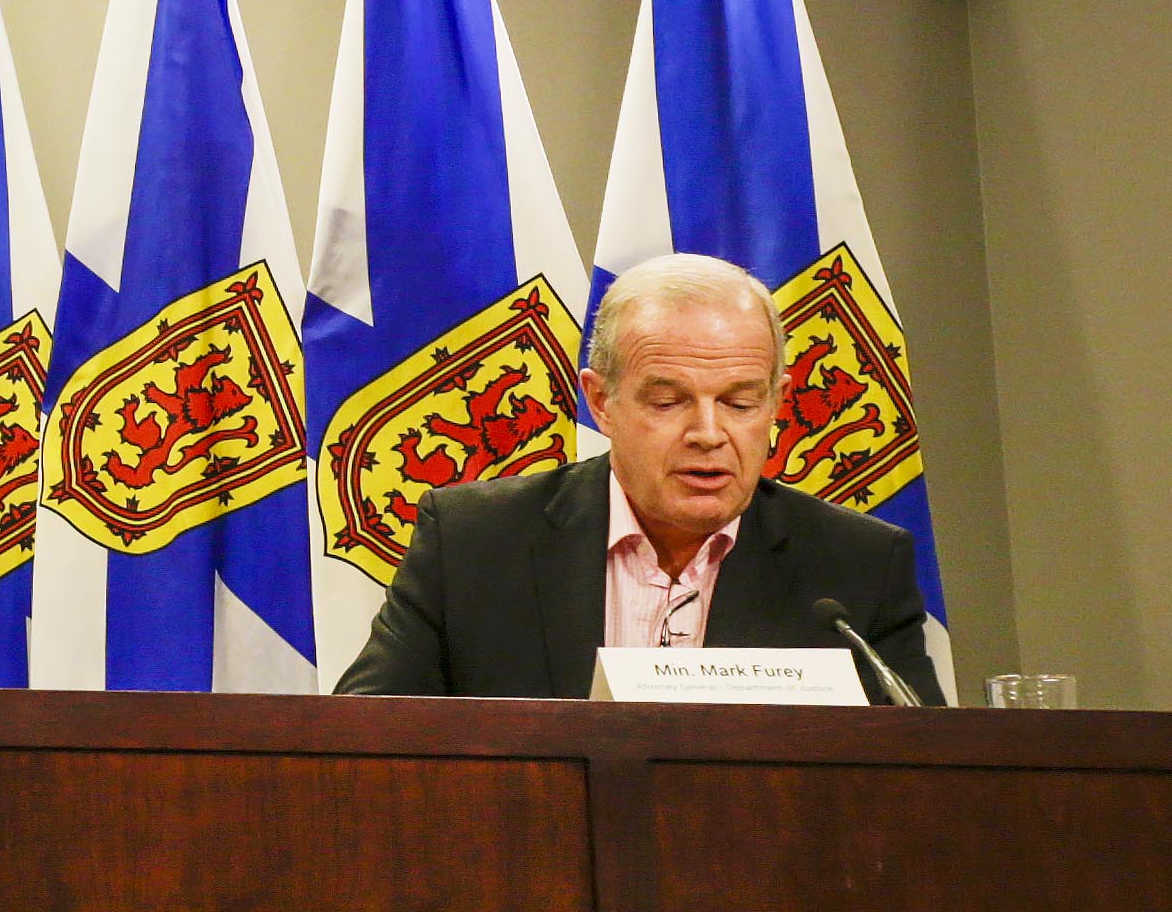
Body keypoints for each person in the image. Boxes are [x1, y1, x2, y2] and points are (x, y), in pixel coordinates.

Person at [337, 249, 940, 701]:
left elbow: (919, 774)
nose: (708, 433)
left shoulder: (856, 567)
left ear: (778, 402)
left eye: (739, 403)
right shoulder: (475, 541)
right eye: (668, 401)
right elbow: (365, 740)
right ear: (602, 402)